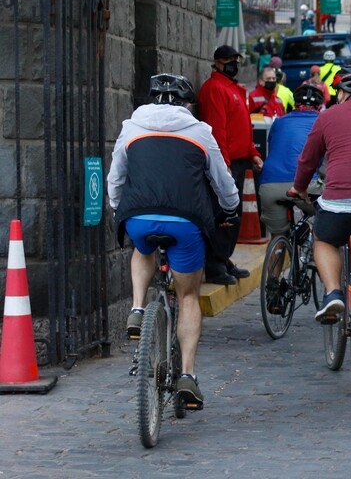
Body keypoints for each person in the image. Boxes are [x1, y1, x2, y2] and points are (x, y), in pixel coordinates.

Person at [108, 73, 239, 409]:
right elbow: (223, 182)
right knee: (189, 294)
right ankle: (188, 376)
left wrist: (115, 206)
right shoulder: (200, 131)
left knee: (142, 247)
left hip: (139, 214)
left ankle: (138, 307)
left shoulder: (131, 127)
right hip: (187, 220)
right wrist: (230, 209)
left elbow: (116, 177)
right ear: (187, 103)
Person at [289, 66, 351, 324]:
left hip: (339, 200)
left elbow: (308, 160)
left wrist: (299, 188)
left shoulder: (328, 116)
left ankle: (333, 293)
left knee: (325, 240)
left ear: (341, 92)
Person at [197, 45, 263, 285]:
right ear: (217, 62)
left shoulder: (234, 89)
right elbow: (217, 131)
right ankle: (215, 265)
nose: (233, 64)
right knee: (224, 215)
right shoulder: (215, 89)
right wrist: (223, 167)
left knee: (233, 215)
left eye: (236, 59)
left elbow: (243, 127)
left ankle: (223, 259)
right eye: (228, 60)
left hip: (237, 160)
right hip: (226, 163)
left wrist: (252, 152)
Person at [259, 84, 324, 235]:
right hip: (306, 185)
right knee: (326, 224)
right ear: (319, 106)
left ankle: (277, 249)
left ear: (295, 103)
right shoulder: (322, 121)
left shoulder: (279, 122)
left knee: (277, 235)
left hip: (270, 185)